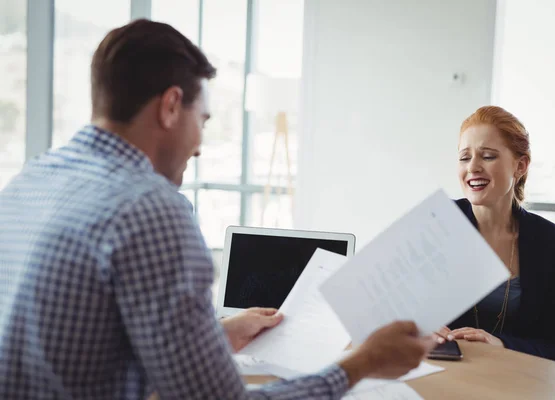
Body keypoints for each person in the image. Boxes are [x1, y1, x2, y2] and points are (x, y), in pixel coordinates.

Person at [0, 19, 435, 399]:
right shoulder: (151, 209)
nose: (200, 148)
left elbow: (82, 347)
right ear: (171, 106)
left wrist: (215, 337)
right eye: (203, 121)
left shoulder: (29, 182)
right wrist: (360, 365)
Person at [436, 106, 555, 361]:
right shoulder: (440, 221)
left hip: (511, 377)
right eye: (464, 158)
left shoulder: (549, 240)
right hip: (444, 369)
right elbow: (397, 312)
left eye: (487, 156)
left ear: (520, 166)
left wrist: (500, 344)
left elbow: (552, 346)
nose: (473, 167)